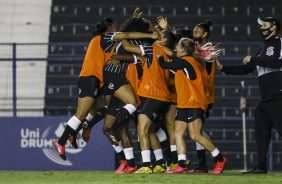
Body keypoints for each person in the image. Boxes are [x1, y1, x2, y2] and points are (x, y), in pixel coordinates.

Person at [53, 17, 159, 161]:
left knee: (99, 110)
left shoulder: (104, 43)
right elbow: (126, 35)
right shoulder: (104, 36)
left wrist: (132, 21)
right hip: (89, 77)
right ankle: (60, 142)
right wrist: (150, 35)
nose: (117, 30)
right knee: (82, 113)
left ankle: (75, 132)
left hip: (96, 79)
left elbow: (123, 37)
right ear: (109, 29)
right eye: (114, 27)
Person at [216, 17, 282, 174]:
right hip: (266, 98)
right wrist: (223, 67)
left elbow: (277, 63)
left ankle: (261, 165)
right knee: (261, 132)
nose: (262, 28)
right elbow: (246, 68)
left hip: (279, 96)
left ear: (274, 28)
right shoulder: (261, 49)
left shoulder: (279, 43)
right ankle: (261, 165)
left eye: (265, 25)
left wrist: (254, 59)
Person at [158, 37, 227, 174]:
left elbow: (164, 64)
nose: (176, 48)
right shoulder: (186, 63)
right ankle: (182, 164)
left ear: (183, 49)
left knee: (195, 135)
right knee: (177, 133)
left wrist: (158, 54)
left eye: (178, 46)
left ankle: (220, 158)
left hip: (194, 103)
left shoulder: (186, 62)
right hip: (184, 104)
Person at [121, 30, 176, 174]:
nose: (157, 35)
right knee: (151, 130)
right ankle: (160, 163)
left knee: (142, 129)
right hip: (163, 98)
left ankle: (146, 164)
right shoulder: (168, 53)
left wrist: (122, 35)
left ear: (163, 40)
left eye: (160, 35)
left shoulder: (153, 49)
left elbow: (127, 47)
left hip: (152, 95)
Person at [190, 19, 217, 173]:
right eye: (194, 32)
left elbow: (202, 60)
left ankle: (213, 159)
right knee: (197, 131)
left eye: (197, 32)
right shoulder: (200, 47)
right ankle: (203, 164)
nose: (195, 35)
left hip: (205, 96)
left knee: (197, 131)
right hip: (199, 94)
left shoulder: (209, 48)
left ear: (205, 34)